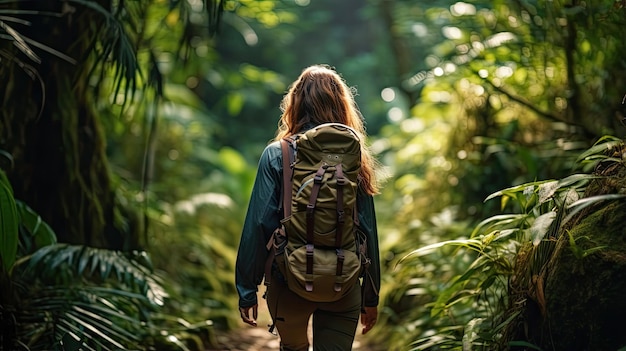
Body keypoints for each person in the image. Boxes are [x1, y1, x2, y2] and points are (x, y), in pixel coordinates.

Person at [235, 64, 382, 350]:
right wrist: (371, 297)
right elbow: (367, 230)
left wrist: (246, 289)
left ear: (295, 103)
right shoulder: (355, 156)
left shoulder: (278, 153)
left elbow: (258, 224)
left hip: (288, 280)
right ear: (341, 104)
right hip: (345, 280)